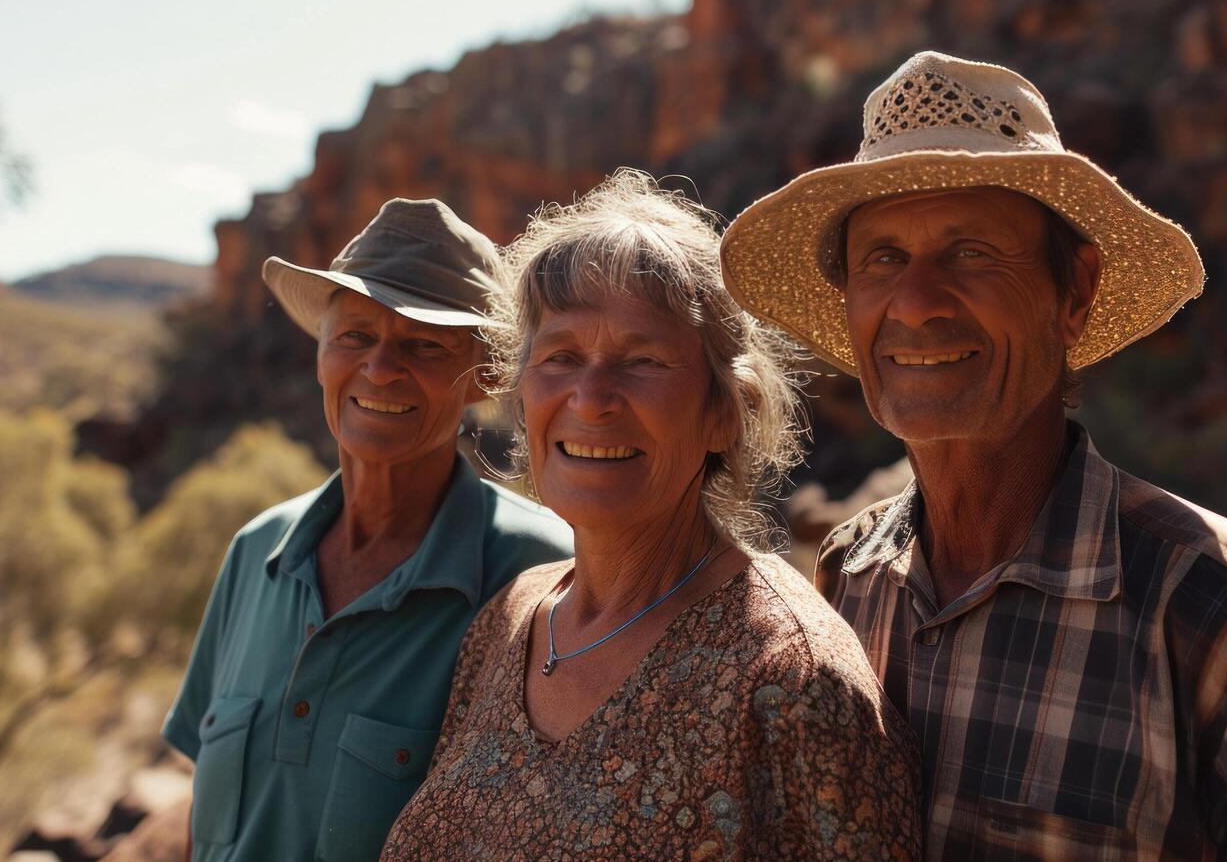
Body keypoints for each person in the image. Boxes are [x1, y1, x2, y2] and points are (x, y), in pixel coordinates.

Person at [719, 51, 1227, 859]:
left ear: (1075, 293)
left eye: (971, 252)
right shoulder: (850, 578)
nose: (914, 304)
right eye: (881, 259)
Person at [381, 170, 922, 859]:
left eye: (642, 360)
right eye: (561, 356)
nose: (590, 397)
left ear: (727, 411)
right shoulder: (511, 619)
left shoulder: (793, 682)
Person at [162, 198, 573, 862]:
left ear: (485, 376)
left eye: (423, 344)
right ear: (321, 351)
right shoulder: (255, 551)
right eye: (354, 335)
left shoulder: (541, 573)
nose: (380, 369)